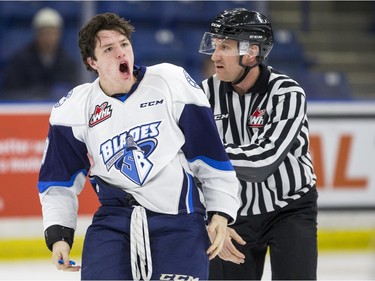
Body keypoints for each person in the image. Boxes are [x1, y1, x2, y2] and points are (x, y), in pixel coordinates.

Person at [37, 12, 240, 280]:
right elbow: (58, 179)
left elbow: (209, 154)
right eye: (109, 49)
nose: (121, 53)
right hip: (114, 223)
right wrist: (60, 235)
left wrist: (220, 212)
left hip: (179, 221)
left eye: (124, 44)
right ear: (92, 62)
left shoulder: (170, 82)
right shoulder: (74, 108)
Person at [198, 8, 318, 280]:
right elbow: (190, 165)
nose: (214, 55)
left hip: (289, 208)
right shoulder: (204, 93)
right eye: (214, 45)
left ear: (251, 52)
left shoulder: (287, 93)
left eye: (224, 47)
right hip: (233, 213)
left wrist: (205, 155)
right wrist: (214, 217)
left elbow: (263, 162)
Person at [1, 7, 79, 101]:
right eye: (45, 33)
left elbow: (75, 91)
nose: (49, 38)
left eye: (53, 33)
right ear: (37, 34)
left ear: (60, 34)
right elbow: (10, 92)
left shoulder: (67, 62)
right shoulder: (20, 60)